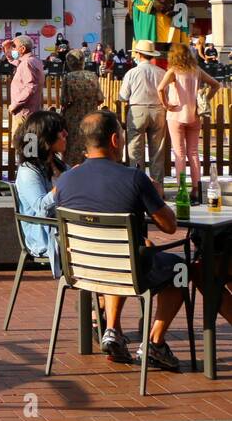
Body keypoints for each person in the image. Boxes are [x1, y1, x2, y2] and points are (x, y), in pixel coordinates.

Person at [46, 110, 185, 370]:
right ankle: (154, 342)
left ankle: (112, 330)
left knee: (118, 255)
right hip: (125, 270)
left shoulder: (65, 180)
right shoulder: (133, 178)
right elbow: (169, 226)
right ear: (114, 140)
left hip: (83, 270)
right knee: (181, 269)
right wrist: (156, 196)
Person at [157, 41, 220, 200]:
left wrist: (166, 104)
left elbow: (160, 88)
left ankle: (181, 189)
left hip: (176, 114)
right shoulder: (196, 70)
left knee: (179, 153)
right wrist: (205, 99)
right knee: (193, 153)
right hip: (194, 115)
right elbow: (216, 85)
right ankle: (196, 188)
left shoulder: (173, 71)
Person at [12, 109, 68, 267]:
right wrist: (66, 183)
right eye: (60, 131)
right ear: (46, 137)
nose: (66, 134)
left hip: (65, 230)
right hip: (44, 238)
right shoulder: (28, 171)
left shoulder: (59, 165)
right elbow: (41, 208)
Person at [118, 39, 169, 187]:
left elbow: (123, 97)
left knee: (135, 150)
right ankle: (157, 187)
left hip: (138, 110)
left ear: (139, 54)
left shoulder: (132, 73)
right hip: (158, 110)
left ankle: (137, 186)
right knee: (157, 152)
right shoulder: (161, 72)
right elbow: (167, 93)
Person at [59, 49, 104, 166]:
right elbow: (100, 99)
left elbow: (64, 101)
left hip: (73, 120)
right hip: (91, 117)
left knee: (72, 148)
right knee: (90, 144)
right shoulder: (93, 76)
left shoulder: (68, 77)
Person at [8, 35, 44, 155]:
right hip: (32, 110)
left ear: (22, 49)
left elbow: (30, 86)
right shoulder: (33, 60)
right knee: (30, 147)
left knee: (25, 147)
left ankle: (27, 171)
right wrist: (6, 47)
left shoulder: (27, 63)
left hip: (24, 111)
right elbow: (12, 60)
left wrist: (15, 105)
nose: (13, 50)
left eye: (14, 47)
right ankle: (29, 169)